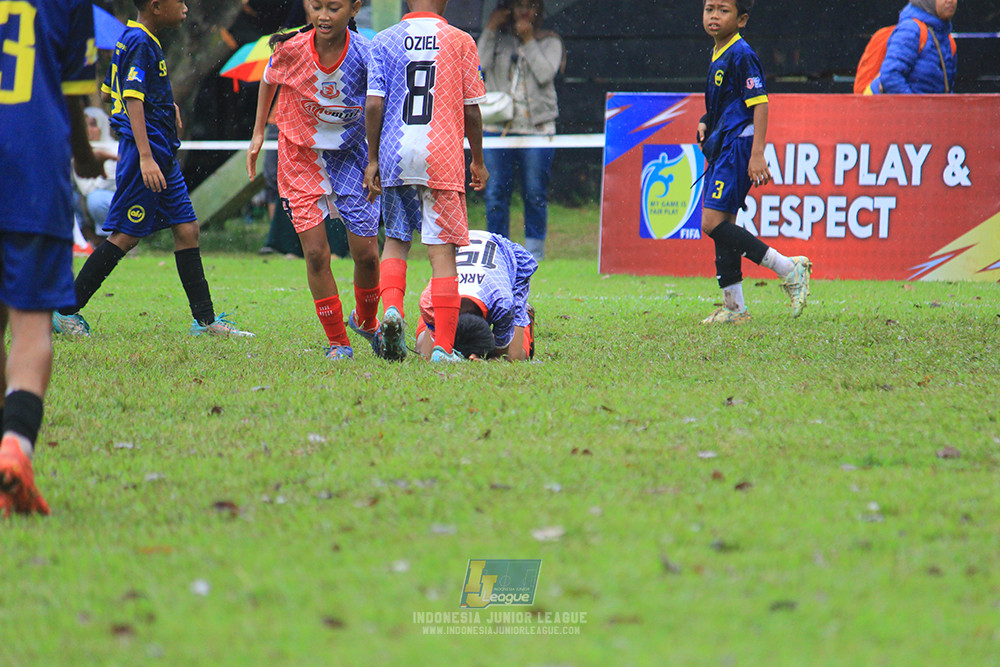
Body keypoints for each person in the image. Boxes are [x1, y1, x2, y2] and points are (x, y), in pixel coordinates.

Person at [52, 0, 253, 338]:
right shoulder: (140, 42)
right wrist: (144, 155)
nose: (187, 7)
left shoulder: (134, 38)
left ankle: (205, 323)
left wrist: (164, 105)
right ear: (157, 7)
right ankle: (65, 311)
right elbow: (130, 99)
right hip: (145, 154)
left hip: (161, 152)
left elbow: (107, 94)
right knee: (126, 236)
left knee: (187, 229)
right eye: (180, 2)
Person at [1, 0, 107, 515]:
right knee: (31, 326)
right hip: (32, 163)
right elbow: (72, 96)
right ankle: (16, 445)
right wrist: (86, 158)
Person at [247, 0, 380, 361]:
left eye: (334, 8)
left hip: (351, 157)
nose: (323, 15)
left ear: (354, 9)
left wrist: (375, 159)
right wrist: (259, 132)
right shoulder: (289, 49)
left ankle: (366, 321)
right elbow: (268, 79)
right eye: (316, 5)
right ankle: (338, 342)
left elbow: (381, 103)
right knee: (317, 253)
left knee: (367, 255)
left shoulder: (367, 54)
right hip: (300, 157)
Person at [363, 0, 488, 362]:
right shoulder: (460, 40)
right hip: (442, 155)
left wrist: (372, 159)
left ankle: (392, 311)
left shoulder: (383, 41)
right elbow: (471, 109)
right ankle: (444, 349)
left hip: (396, 153)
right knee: (442, 252)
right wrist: (477, 159)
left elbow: (373, 105)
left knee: (397, 240)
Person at [697, 0, 811, 324]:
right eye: (709, 9)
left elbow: (759, 104)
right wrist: (707, 120)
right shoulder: (719, 50)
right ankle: (735, 308)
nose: (714, 16)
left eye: (723, 10)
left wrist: (757, 153)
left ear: (742, 19)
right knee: (724, 226)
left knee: (712, 224)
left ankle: (789, 268)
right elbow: (729, 101)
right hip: (726, 144)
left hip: (740, 146)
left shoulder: (741, 53)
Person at [477, 0, 563, 262]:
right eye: (518, 5)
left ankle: (534, 253)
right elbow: (477, 66)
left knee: (535, 192)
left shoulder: (551, 41)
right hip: (497, 127)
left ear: (539, 10)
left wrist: (528, 40)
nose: (524, 11)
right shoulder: (499, 39)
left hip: (536, 128)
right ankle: (498, 252)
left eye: (530, 5)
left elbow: (546, 74)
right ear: (508, 10)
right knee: (495, 192)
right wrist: (490, 29)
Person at [414, 230, 537, 360]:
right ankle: (434, 321)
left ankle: (525, 314)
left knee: (513, 357)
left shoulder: (504, 304)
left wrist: (485, 355)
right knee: (425, 354)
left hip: (504, 254)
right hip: (458, 248)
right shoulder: (429, 301)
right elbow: (428, 355)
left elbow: (502, 350)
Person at [871, 0, 958, 94]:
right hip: (902, 108)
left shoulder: (947, 39)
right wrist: (913, 106)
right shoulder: (912, 29)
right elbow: (890, 76)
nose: (950, 1)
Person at [73, 107, 118, 246]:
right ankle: (87, 239)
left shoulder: (115, 149)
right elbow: (85, 188)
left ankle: (116, 238)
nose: (89, 130)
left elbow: (108, 181)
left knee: (96, 199)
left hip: (116, 199)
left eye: (93, 125)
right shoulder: (75, 154)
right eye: (85, 125)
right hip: (85, 201)